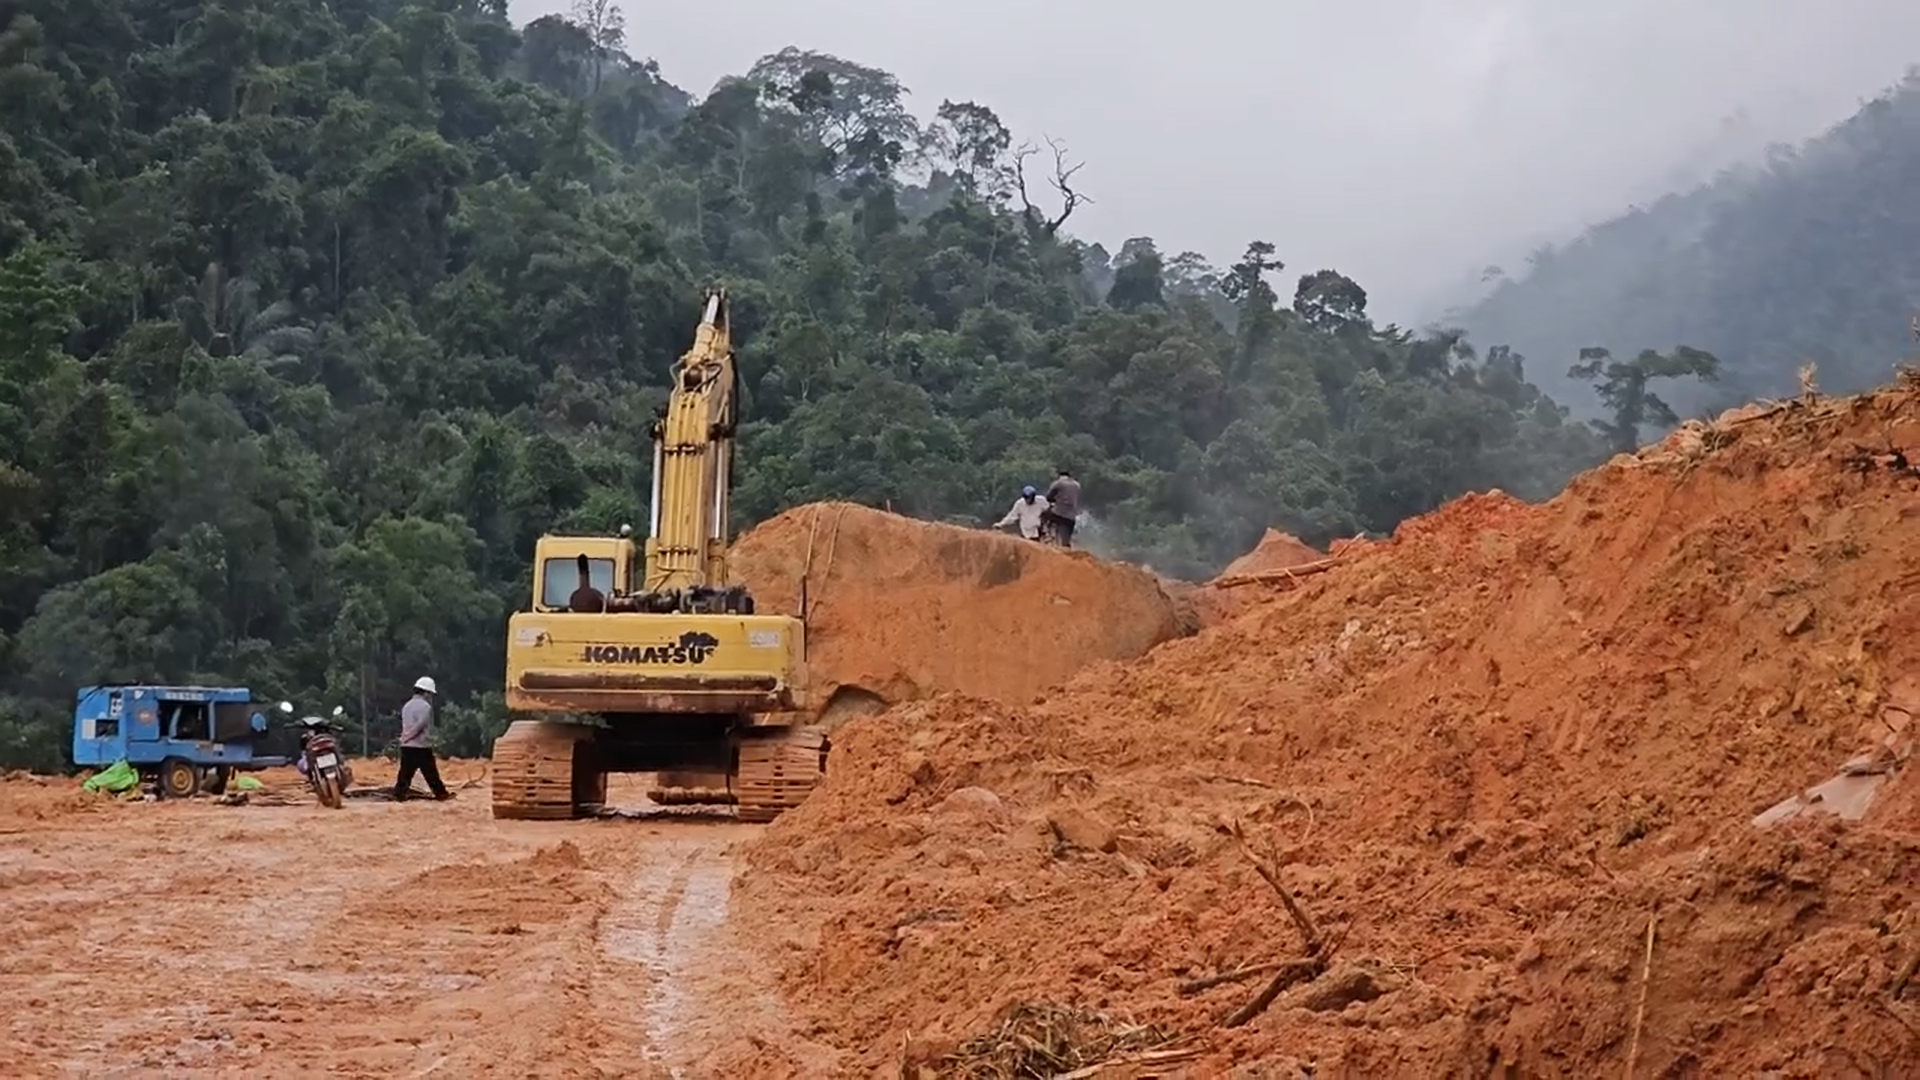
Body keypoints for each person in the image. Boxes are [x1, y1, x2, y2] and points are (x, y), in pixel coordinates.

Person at [394, 676, 452, 801]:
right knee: (431, 773)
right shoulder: (425, 707)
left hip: (407, 746)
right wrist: (409, 737)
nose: (430, 697)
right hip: (421, 746)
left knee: (405, 773)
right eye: (430, 694)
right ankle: (441, 794)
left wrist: (404, 738)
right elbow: (419, 726)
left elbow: (406, 725)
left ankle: (399, 795)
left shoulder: (407, 706)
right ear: (425, 692)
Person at [1043, 469, 1082, 548]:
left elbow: (1048, 497)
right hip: (1072, 516)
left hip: (1059, 513)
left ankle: (1046, 532)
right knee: (1066, 539)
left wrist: (1054, 499)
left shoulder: (1058, 483)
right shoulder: (1077, 485)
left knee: (1044, 514)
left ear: (1060, 475)